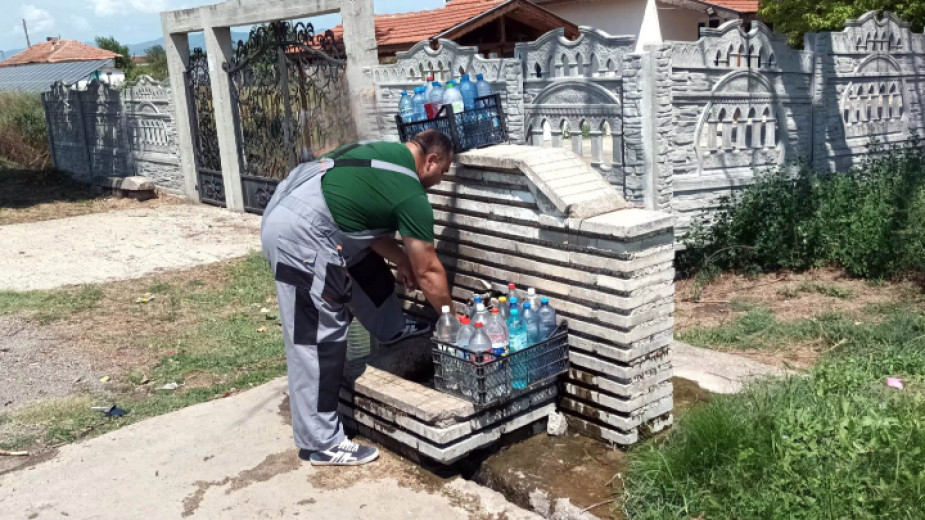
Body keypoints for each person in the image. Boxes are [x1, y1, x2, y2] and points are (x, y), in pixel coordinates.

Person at [260, 130, 455, 466]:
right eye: (444, 171)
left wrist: (401, 259)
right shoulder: (411, 195)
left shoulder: (380, 152)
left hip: (301, 212)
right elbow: (429, 273)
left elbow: (364, 228)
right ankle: (321, 441)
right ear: (431, 161)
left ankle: (392, 329)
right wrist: (453, 321)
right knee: (319, 337)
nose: (442, 179)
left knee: (366, 265)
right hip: (301, 235)